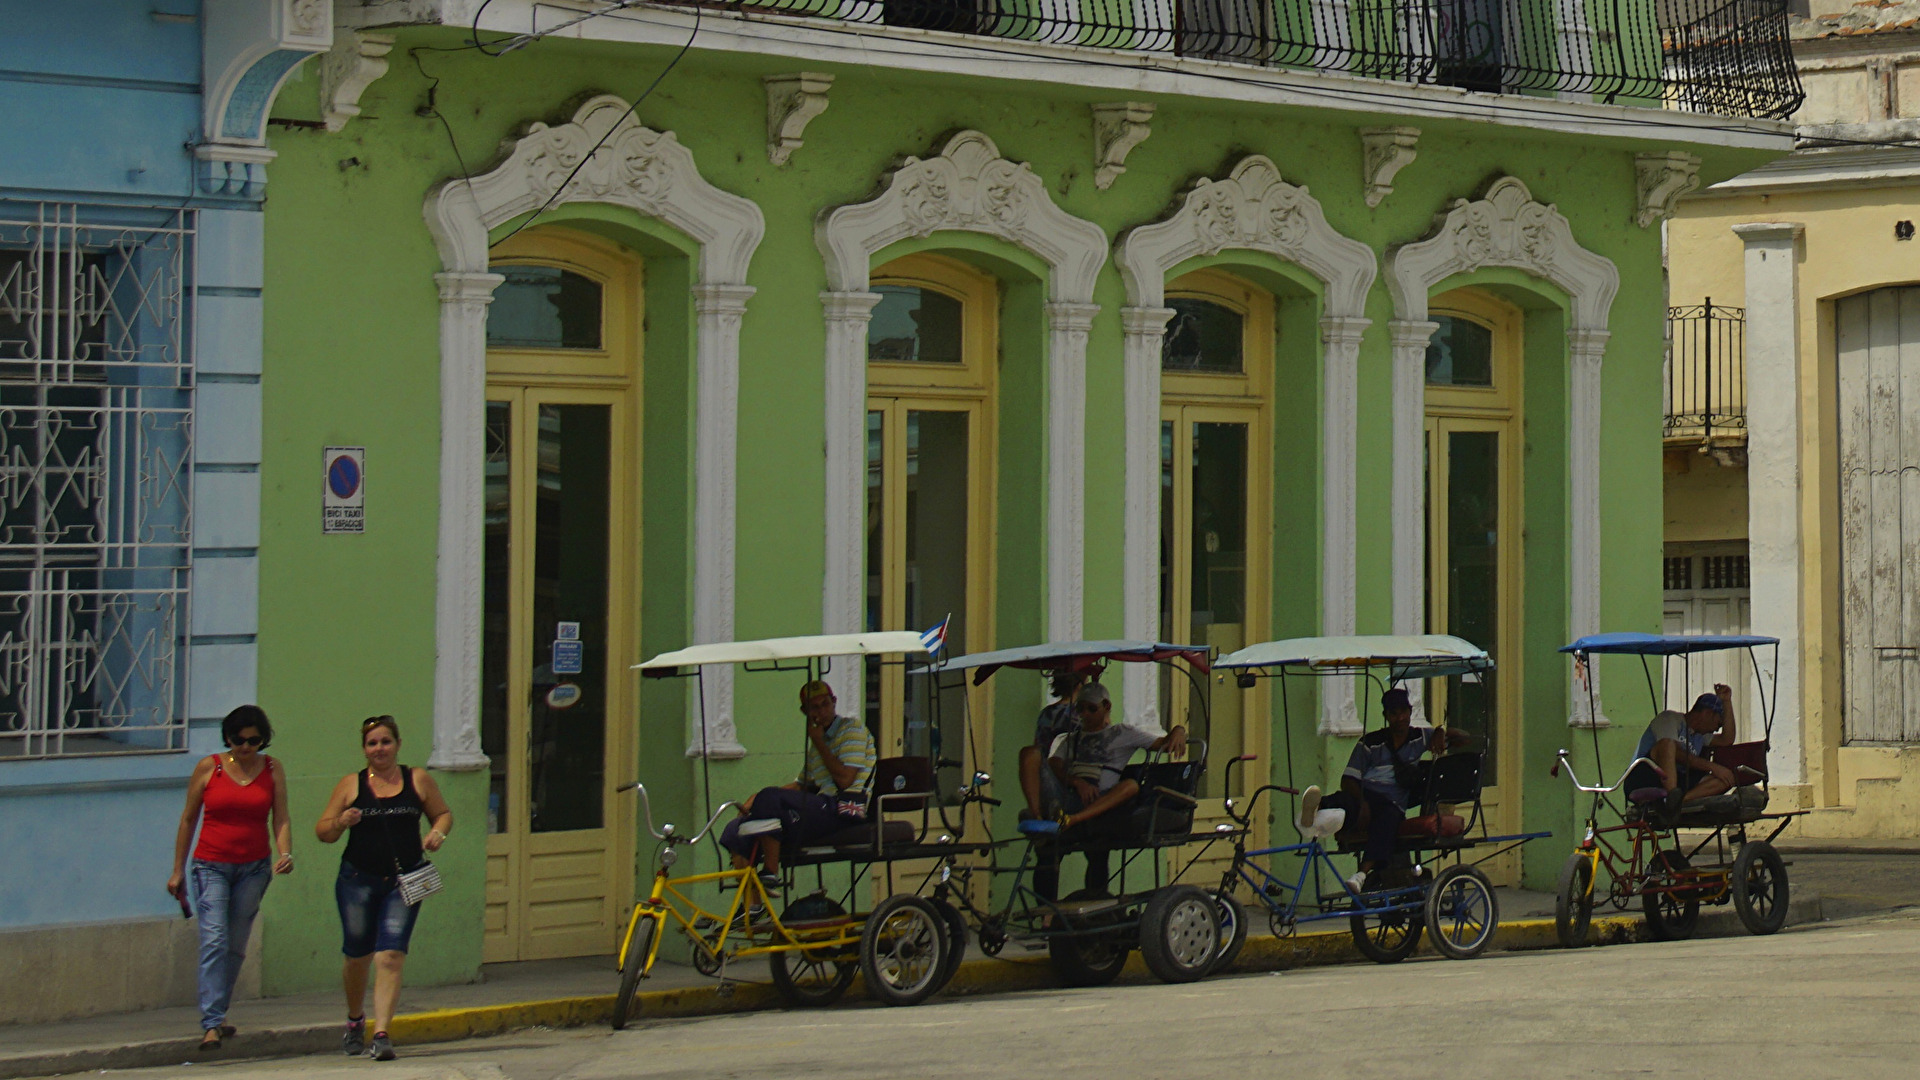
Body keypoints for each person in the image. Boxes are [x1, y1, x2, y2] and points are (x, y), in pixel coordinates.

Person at [316, 716, 453, 1062]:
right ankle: (354, 1020)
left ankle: (382, 1034)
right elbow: (323, 832)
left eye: (385, 742)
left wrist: (438, 833)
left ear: (397, 744)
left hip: (404, 882)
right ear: (364, 749)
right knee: (357, 955)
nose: (379, 749)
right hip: (357, 881)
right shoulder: (352, 785)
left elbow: (443, 814)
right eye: (372, 743)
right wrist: (341, 821)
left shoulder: (417, 779)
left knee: (390, 955)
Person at [166, 705, 294, 1052]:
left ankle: (219, 1013)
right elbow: (188, 819)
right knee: (215, 939)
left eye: (253, 740)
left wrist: (285, 853)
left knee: (236, 944)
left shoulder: (272, 769)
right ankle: (210, 1023)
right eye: (239, 739)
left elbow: (280, 816)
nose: (245, 746)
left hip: (254, 868)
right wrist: (178, 869)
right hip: (211, 865)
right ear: (228, 738)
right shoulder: (210, 768)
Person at [1295, 687, 1469, 894]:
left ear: (1410, 712)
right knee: (1344, 802)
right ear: (1386, 716)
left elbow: (1464, 738)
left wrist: (1440, 731)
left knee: (1388, 819)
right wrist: (1362, 803)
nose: (1400, 718)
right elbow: (1348, 779)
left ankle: (1360, 875)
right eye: (1394, 713)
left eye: (1404, 712)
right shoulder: (1370, 743)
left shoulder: (1419, 738)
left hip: (1392, 804)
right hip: (1365, 796)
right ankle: (1312, 812)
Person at [1028, 682, 1187, 898]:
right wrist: (1076, 781)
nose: (1085, 714)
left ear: (1106, 706)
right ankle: (1040, 818)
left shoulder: (1122, 732)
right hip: (1071, 796)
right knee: (1030, 754)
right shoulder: (1073, 737)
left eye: (1091, 709)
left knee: (1130, 786)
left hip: (1100, 800)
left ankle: (1072, 820)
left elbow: (1161, 743)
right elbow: (1055, 762)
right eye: (1080, 709)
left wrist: (1179, 730)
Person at [719, 680, 877, 878]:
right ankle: (754, 905)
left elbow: (845, 779)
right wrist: (756, 798)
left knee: (769, 798)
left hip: (844, 808)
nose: (822, 711)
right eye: (814, 708)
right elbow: (801, 785)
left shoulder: (851, 729)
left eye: (825, 704)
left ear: (834, 702)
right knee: (736, 829)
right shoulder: (818, 744)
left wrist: (818, 741)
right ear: (805, 711)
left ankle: (770, 872)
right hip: (821, 807)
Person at [1629, 684, 1738, 815]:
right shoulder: (1669, 719)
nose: (1716, 729)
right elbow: (1677, 753)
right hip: (1647, 775)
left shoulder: (1701, 736)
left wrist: (1727, 702)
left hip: (1678, 782)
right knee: (1668, 744)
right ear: (1707, 713)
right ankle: (1672, 796)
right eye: (1718, 723)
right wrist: (1712, 766)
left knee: (1725, 779)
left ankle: (1678, 803)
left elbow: (1727, 739)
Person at [1019, 668, 1090, 820]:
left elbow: (1039, 748)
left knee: (1030, 753)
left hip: (1051, 781)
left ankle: (1036, 813)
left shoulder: (1047, 714)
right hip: (1067, 782)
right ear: (1080, 684)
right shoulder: (1083, 715)